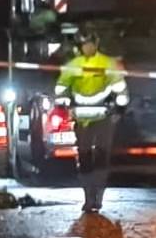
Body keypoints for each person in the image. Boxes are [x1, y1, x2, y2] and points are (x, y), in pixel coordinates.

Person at [54, 31, 128, 213]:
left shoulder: (107, 63)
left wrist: (119, 109)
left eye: (89, 43)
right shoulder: (73, 65)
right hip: (82, 119)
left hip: (103, 117)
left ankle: (98, 198)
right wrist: (64, 104)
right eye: (83, 44)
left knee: (102, 157)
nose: (86, 47)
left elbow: (121, 89)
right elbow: (60, 89)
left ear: (96, 44)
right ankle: (88, 198)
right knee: (85, 157)